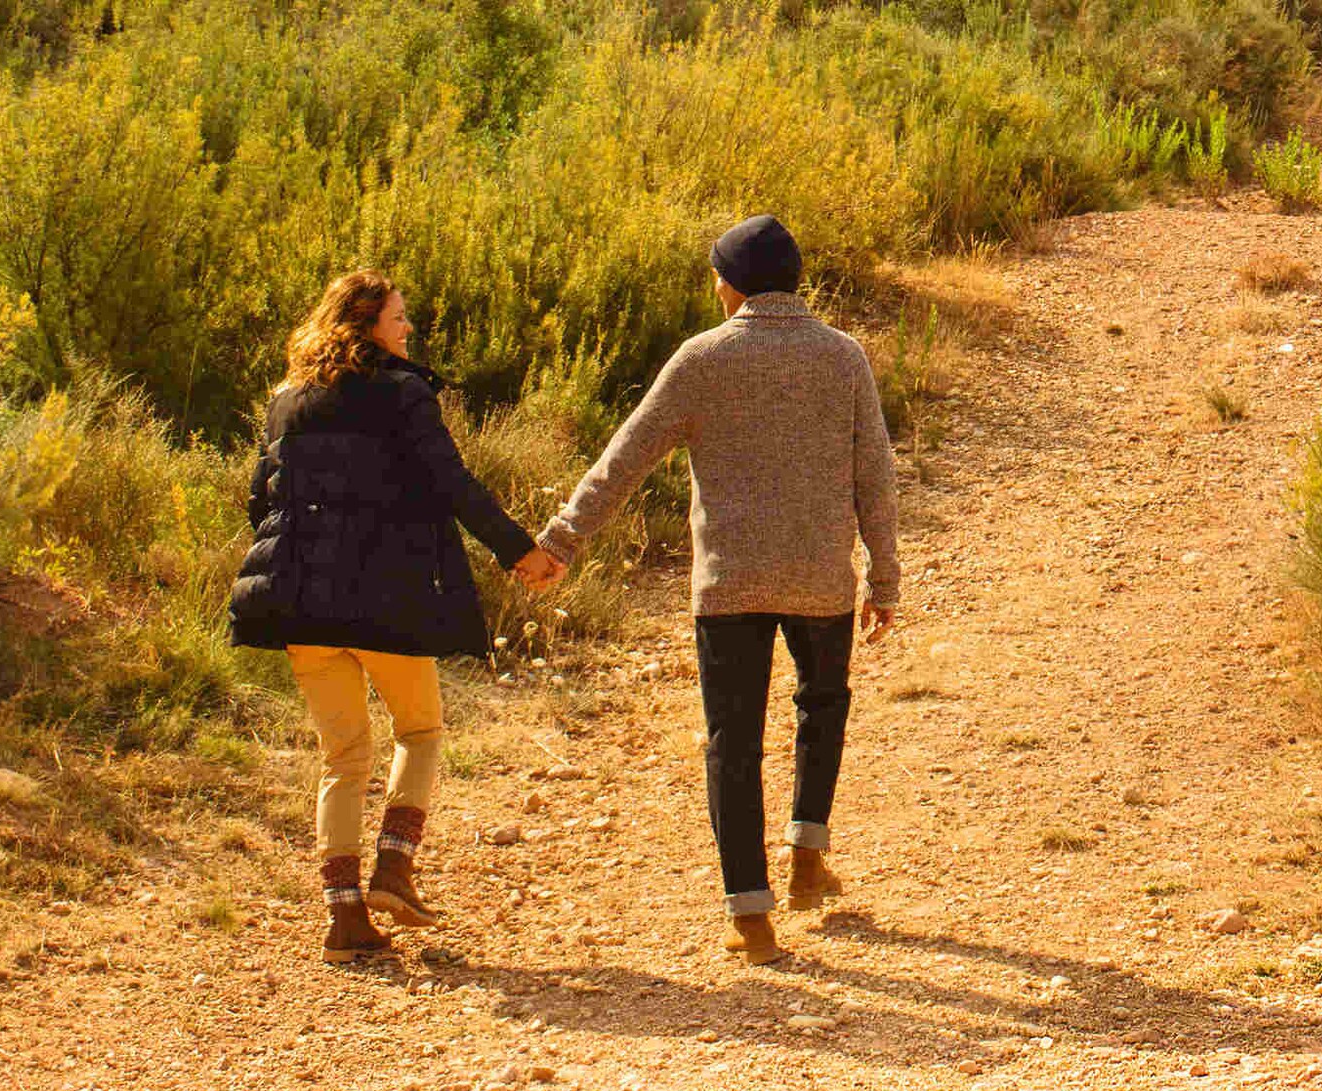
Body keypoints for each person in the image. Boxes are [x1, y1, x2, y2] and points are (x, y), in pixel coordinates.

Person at [527, 214, 902, 967]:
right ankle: (807, 850)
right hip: (820, 574)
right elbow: (876, 477)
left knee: (733, 740)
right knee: (822, 705)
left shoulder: (703, 358)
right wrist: (884, 576)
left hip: (729, 580)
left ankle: (750, 917)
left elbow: (624, 456)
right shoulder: (844, 357)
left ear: (729, 283)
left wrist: (562, 538)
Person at [231, 267, 565, 954]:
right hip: (385, 595)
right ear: (367, 325)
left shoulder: (287, 400)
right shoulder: (403, 394)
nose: (409, 328)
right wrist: (520, 552)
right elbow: (453, 485)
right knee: (419, 730)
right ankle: (393, 863)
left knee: (342, 756)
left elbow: (260, 505)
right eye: (399, 318)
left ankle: (345, 917)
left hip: (301, 601)